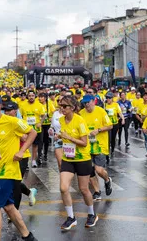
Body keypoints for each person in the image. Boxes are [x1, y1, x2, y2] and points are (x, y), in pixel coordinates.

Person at [0, 94, 38, 241]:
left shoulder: (12, 121)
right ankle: (27, 236)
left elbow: (32, 132)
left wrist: (22, 151)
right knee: (9, 207)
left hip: (8, 170)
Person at [58, 96, 98, 230]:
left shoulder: (80, 121)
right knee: (63, 188)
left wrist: (69, 138)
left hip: (82, 159)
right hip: (68, 159)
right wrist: (58, 135)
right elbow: (63, 135)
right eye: (60, 105)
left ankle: (92, 214)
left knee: (84, 189)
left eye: (64, 106)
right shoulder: (61, 120)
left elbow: (84, 142)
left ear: (73, 108)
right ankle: (71, 217)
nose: (61, 108)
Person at [2, 101, 38, 211]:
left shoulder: (20, 122)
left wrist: (18, 134)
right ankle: (29, 192)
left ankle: (15, 211)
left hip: (21, 157)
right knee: (12, 183)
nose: (7, 113)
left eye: (10, 110)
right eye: (6, 110)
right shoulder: (3, 123)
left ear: (16, 110)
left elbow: (27, 136)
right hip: (8, 157)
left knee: (15, 184)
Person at [79, 95, 113, 201]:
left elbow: (110, 125)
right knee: (89, 170)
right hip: (87, 145)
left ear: (93, 101)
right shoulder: (81, 113)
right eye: (84, 103)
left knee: (99, 170)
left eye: (88, 102)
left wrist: (98, 130)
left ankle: (107, 180)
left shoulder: (101, 111)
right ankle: (97, 191)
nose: (86, 105)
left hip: (100, 145)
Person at [19, 90, 46, 167]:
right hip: (26, 129)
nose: (31, 97)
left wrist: (40, 123)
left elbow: (44, 115)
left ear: (35, 96)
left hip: (36, 129)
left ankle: (33, 160)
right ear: (27, 96)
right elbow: (19, 116)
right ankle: (25, 161)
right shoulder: (23, 105)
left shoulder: (39, 105)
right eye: (29, 96)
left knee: (35, 145)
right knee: (25, 144)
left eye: (32, 96)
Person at [104, 92, 124, 157]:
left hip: (115, 124)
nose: (108, 99)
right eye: (107, 98)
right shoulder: (104, 105)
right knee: (108, 138)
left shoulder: (116, 105)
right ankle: (106, 152)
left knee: (113, 138)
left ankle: (112, 150)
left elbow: (120, 113)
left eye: (109, 98)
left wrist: (123, 119)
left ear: (112, 98)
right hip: (107, 125)